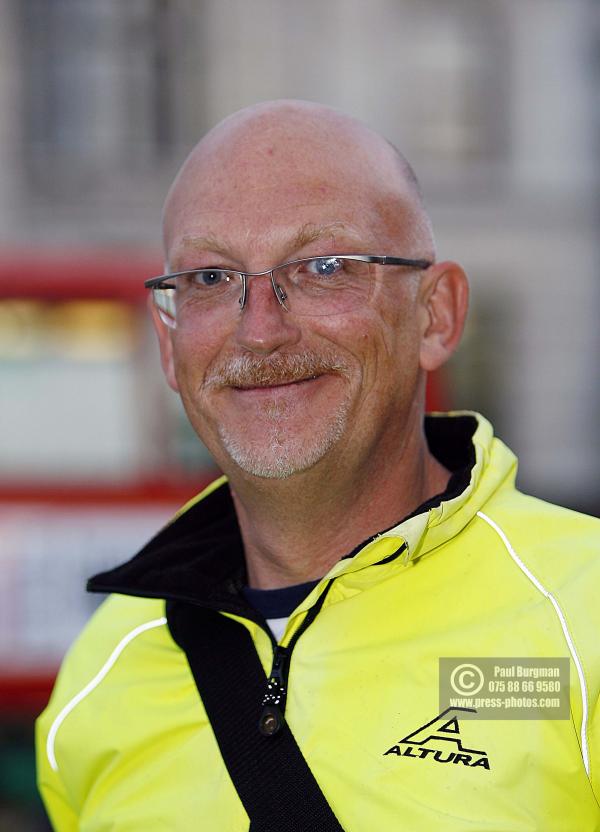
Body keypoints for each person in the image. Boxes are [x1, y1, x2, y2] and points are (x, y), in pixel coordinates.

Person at [36, 100, 600, 831]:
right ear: (168, 340)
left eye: (324, 267)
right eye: (210, 279)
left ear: (435, 315)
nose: (260, 329)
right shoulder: (100, 674)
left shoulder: (583, 614)